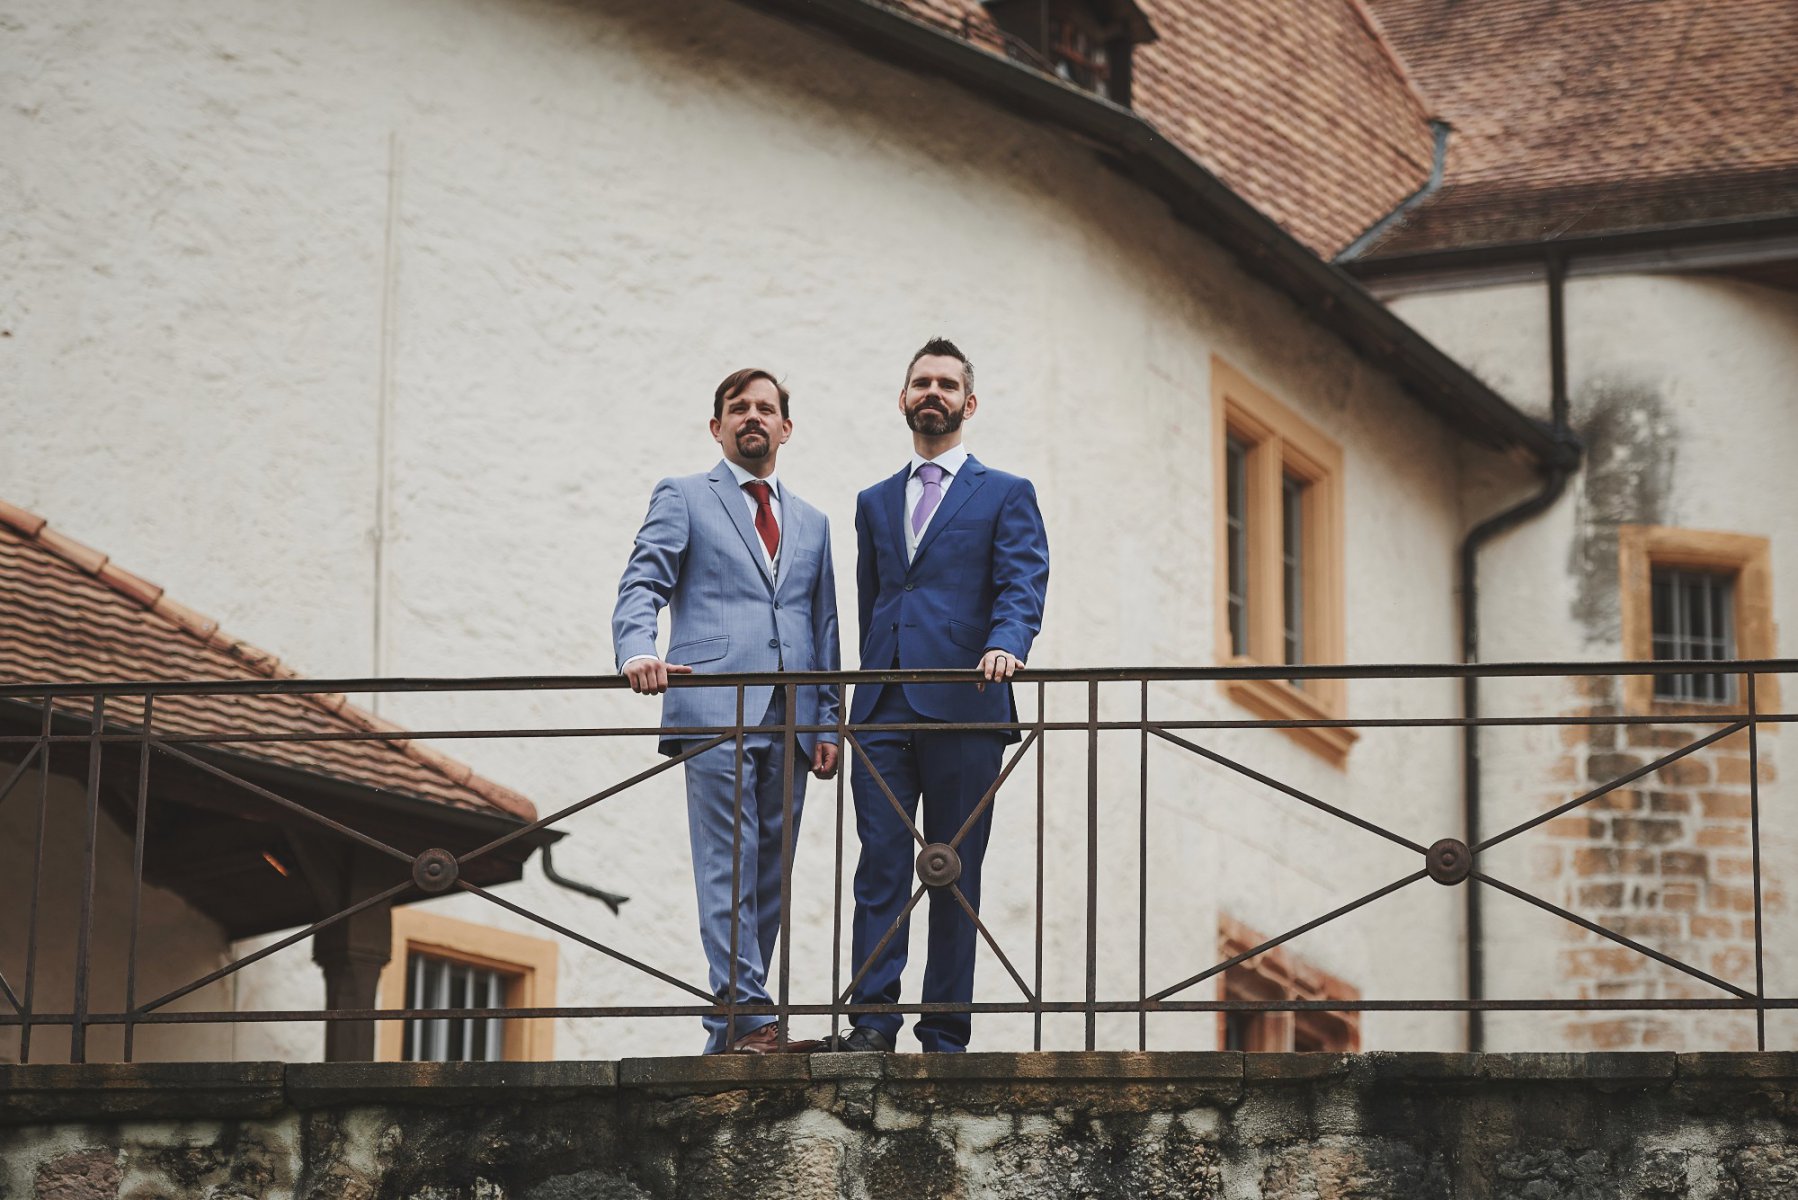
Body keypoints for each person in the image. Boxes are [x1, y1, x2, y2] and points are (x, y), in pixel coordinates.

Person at [612, 367, 840, 1054]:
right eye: (738, 408)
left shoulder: (813, 522)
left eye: (766, 408)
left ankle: (736, 1031)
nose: (753, 417)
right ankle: (749, 1018)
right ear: (717, 427)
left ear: (786, 428)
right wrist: (637, 650)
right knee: (728, 863)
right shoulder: (683, 496)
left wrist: (829, 721)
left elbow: (825, 627)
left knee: (770, 873)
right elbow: (643, 581)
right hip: (712, 703)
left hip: (792, 715)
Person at [833, 337, 1049, 1053]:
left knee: (953, 871)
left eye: (947, 384)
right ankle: (871, 1023)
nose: (933, 392)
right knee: (880, 865)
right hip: (883, 704)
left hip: (967, 699)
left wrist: (1008, 644)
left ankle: (945, 1032)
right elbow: (873, 600)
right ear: (903, 398)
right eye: (922, 382)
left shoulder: (1006, 492)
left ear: (969, 403)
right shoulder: (873, 502)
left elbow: (1022, 582)